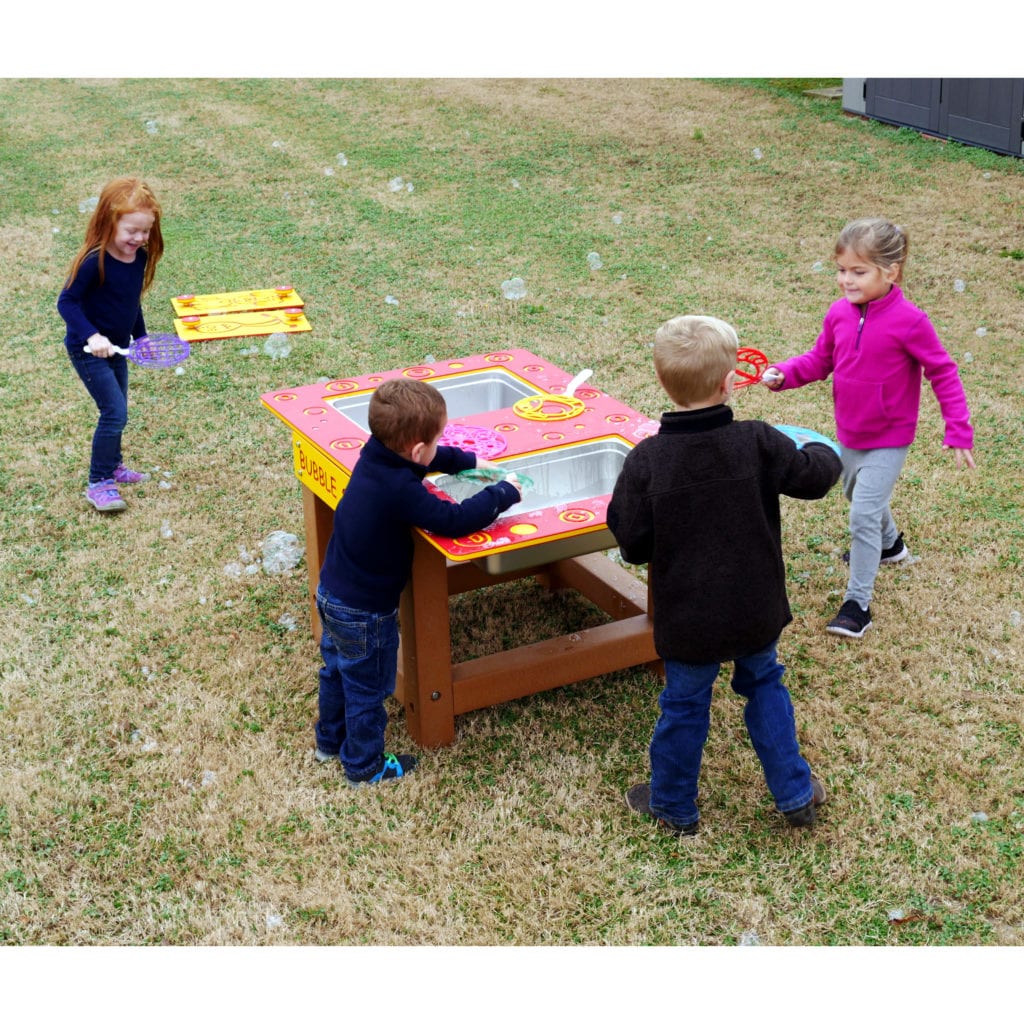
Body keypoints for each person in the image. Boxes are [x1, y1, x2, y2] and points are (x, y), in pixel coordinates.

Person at [607, 314, 842, 835]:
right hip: (754, 606)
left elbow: (632, 542)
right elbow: (812, 477)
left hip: (690, 618)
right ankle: (795, 794)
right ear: (729, 380)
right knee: (765, 686)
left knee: (685, 704)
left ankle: (672, 805)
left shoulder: (648, 460)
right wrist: (825, 449)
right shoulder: (758, 440)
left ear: (662, 382)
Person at [764, 218, 975, 638]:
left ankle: (857, 604)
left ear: (890, 271)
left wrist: (959, 431)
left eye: (858, 271)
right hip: (850, 432)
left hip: (890, 437)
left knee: (862, 514)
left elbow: (943, 372)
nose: (846, 279)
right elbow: (820, 360)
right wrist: (784, 374)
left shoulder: (910, 321)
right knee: (855, 493)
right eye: (841, 269)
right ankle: (892, 546)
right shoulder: (839, 314)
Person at [314, 378, 523, 786]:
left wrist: (466, 460)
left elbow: (427, 458)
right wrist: (502, 493)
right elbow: (452, 521)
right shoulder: (399, 488)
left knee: (337, 670)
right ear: (415, 449)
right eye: (437, 439)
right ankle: (363, 766)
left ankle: (328, 740)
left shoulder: (376, 455)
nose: (438, 446)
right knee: (368, 688)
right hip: (365, 612)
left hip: (333, 591)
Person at [58, 176, 165, 513]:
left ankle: (114, 464)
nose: (139, 238)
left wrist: (142, 336)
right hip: (88, 350)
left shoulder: (140, 258)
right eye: (131, 230)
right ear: (109, 222)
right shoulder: (95, 260)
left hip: (118, 348)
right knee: (114, 412)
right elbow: (67, 303)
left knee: (119, 410)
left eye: (145, 231)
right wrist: (92, 336)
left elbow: (131, 302)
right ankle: (99, 481)